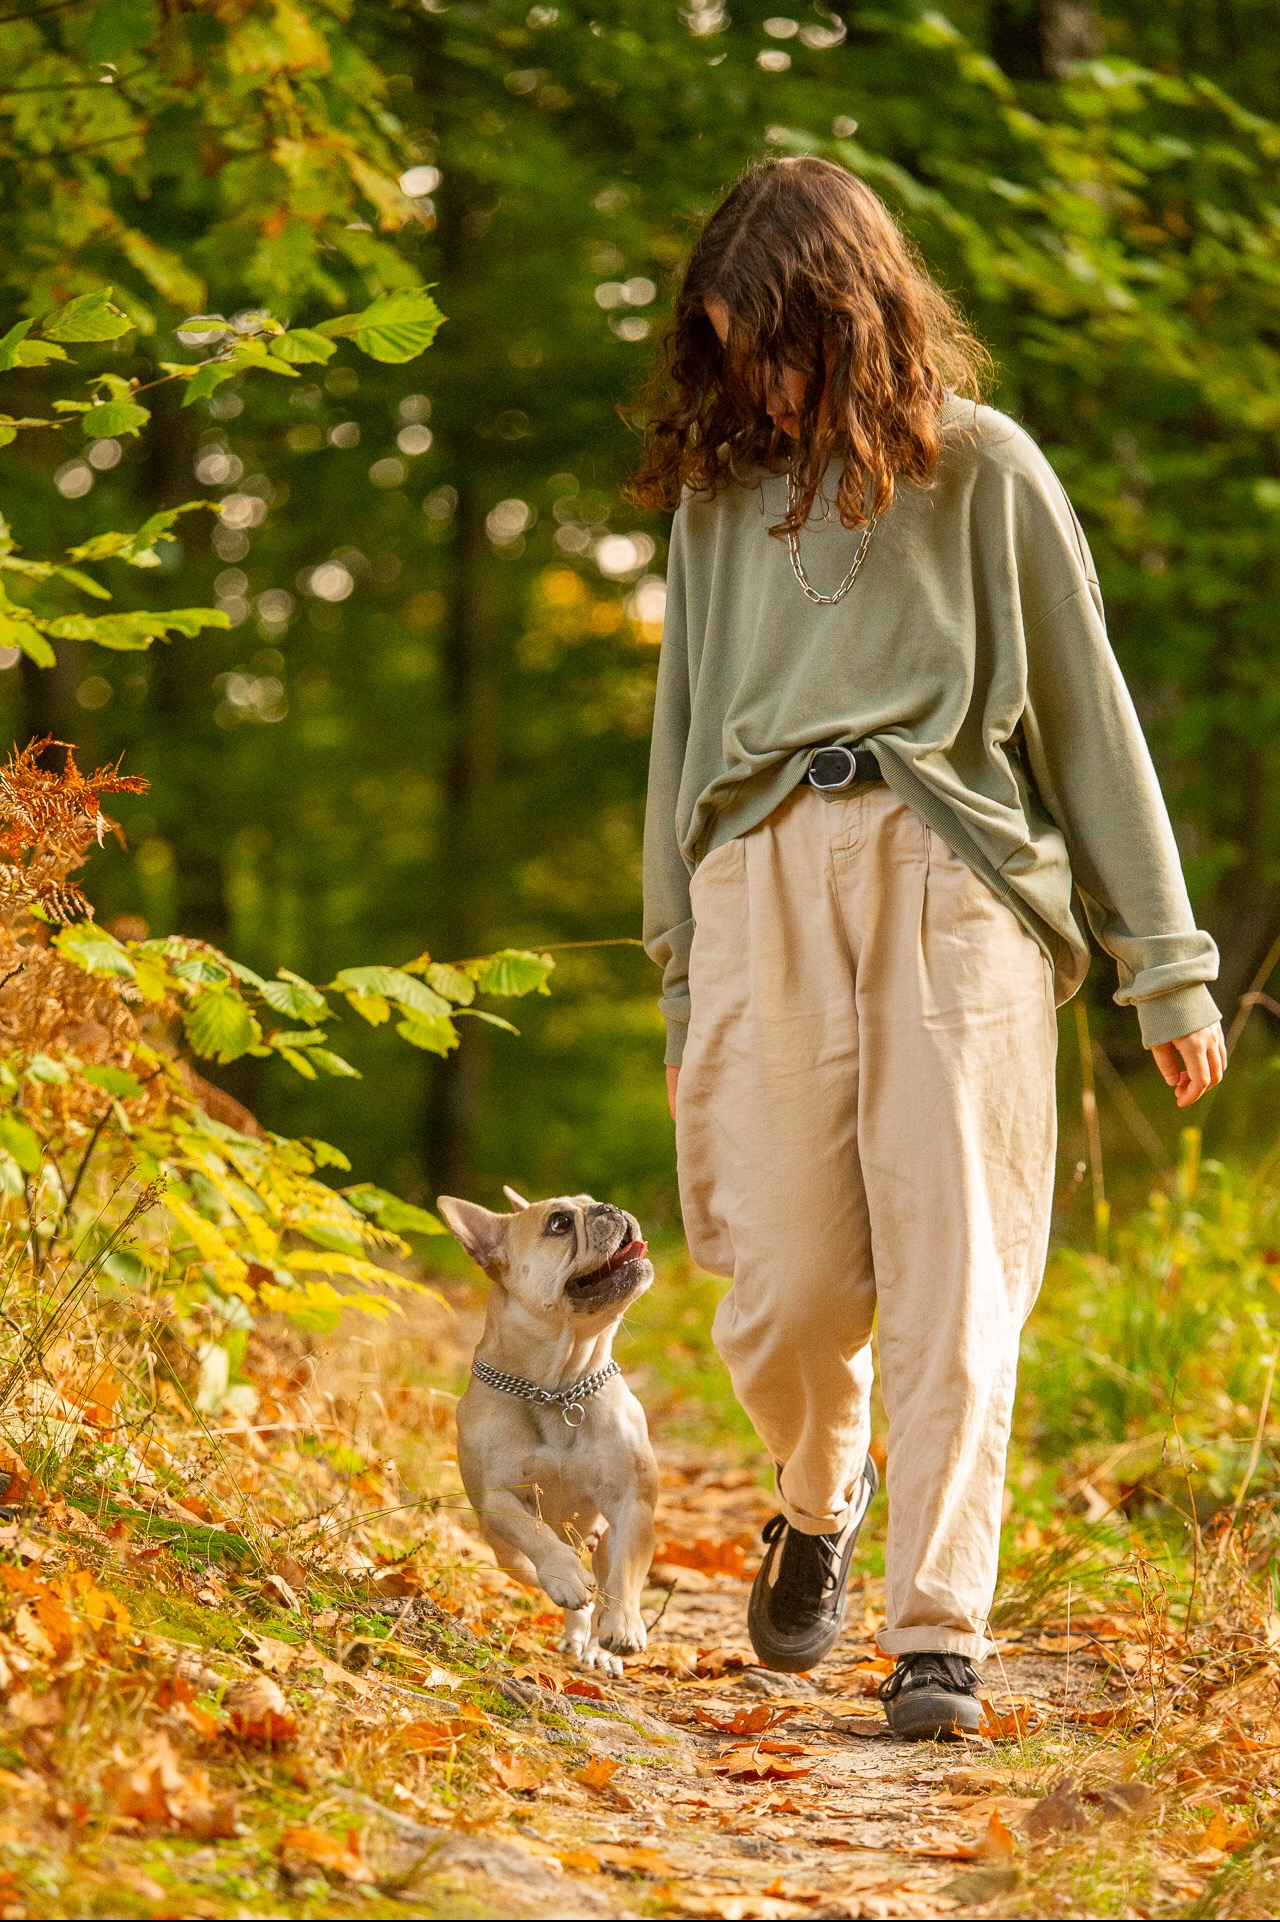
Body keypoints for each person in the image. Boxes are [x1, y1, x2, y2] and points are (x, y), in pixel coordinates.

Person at [633, 157, 1226, 1740]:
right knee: (786, 1285)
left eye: (782, 341)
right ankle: (819, 1496)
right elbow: (681, 744)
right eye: (729, 345)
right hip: (759, 883)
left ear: (857, 314)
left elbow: (1093, 725)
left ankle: (936, 1629)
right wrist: (682, 964)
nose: (761, 377)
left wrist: (1166, 961)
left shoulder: (987, 471)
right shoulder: (716, 500)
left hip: (952, 875)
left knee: (958, 1268)